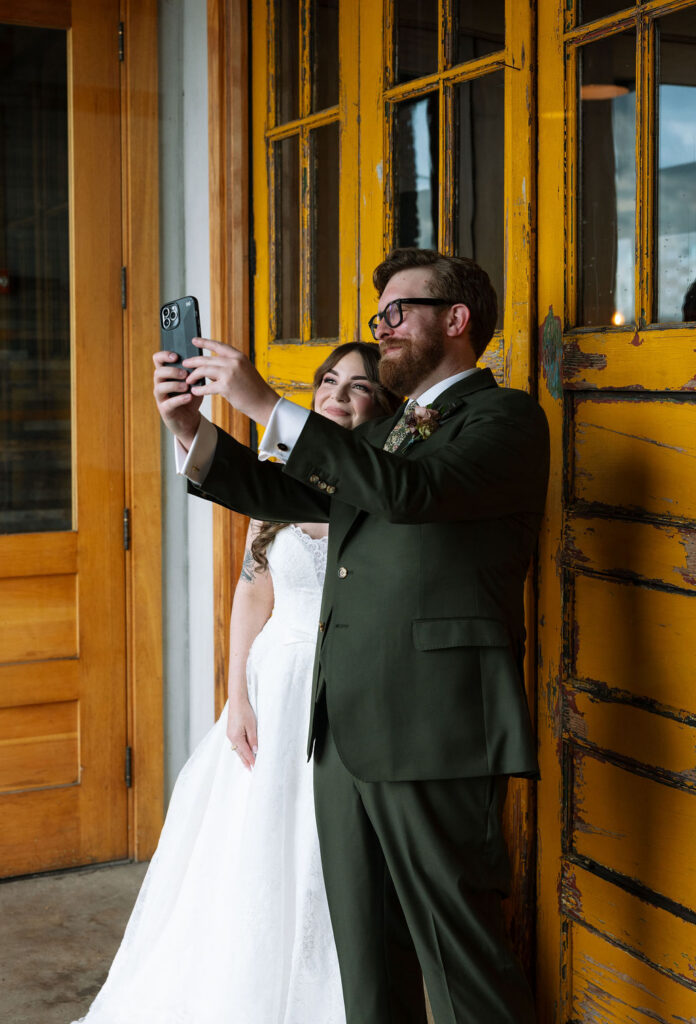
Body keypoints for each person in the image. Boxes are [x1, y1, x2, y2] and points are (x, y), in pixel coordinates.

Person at [160, 248, 550, 1024]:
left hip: (438, 726)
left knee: (458, 956)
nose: (383, 329)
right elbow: (290, 490)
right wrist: (192, 430)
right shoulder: (394, 429)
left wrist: (269, 403)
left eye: (397, 313)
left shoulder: (505, 419)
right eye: (379, 318)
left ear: (457, 319)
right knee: (366, 963)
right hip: (342, 726)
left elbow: (413, 494)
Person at [70, 341, 399, 1024]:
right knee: (248, 851)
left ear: (384, 405)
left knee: (321, 850)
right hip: (272, 685)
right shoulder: (281, 471)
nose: (336, 395)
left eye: (358, 386)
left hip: (342, 685)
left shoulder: (385, 482)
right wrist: (236, 695)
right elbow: (254, 592)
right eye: (328, 380)